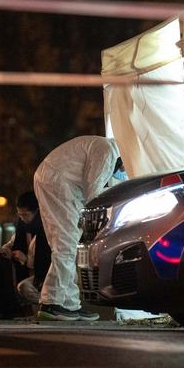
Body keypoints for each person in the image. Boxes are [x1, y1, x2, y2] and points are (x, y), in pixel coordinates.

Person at [34, 135, 121, 321]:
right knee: (65, 244)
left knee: (68, 245)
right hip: (58, 182)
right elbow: (93, 193)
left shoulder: (105, 147)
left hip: (56, 180)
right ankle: (51, 302)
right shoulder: (107, 151)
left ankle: (69, 303)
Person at [12, 191, 51, 307]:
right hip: (33, 275)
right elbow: (12, 242)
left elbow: (46, 262)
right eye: (19, 215)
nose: (22, 218)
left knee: (24, 287)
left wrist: (25, 260)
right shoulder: (23, 227)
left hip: (46, 275)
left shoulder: (46, 229)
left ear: (36, 211)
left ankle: (50, 304)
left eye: (25, 215)